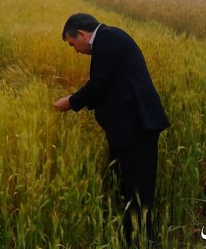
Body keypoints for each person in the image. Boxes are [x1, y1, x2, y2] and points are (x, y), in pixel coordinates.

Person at [53, 13, 170, 246]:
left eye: (72, 44)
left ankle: (143, 240)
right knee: (127, 186)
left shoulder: (109, 39)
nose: (75, 50)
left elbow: (98, 85)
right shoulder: (109, 39)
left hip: (138, 127)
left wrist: (70, 102)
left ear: (82, 35)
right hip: (129, 129)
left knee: (139, 191)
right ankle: (132, 237)